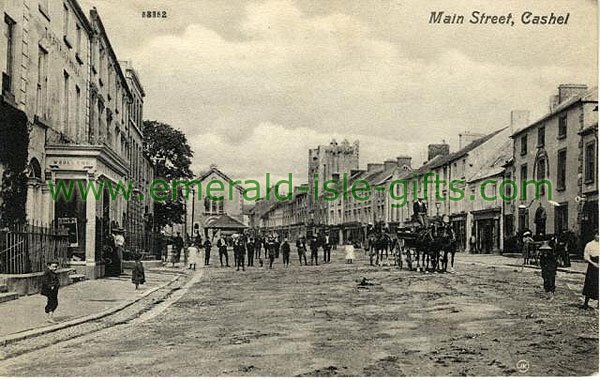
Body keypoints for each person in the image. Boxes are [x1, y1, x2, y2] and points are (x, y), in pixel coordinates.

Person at [581, 231, 599, 310]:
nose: (599, 237)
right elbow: (586, 256)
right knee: (590, 284)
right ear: (594, 235)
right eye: (597, 235)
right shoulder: (589, 244)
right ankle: (586, 303)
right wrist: (593, 263)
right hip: (592, 266)